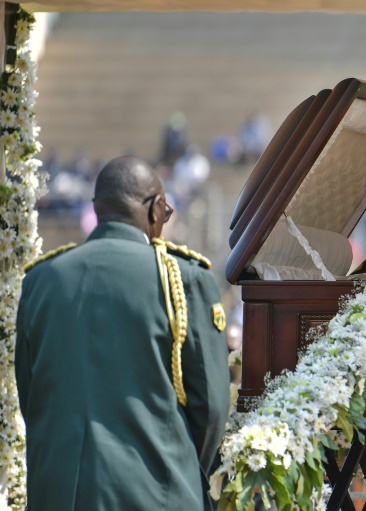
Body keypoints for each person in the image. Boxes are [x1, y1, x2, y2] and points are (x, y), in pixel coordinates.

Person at [16, 156, 230, 510]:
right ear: (155, 209)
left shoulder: (41, 280)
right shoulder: (183, 279)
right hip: (157, 493)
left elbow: (32, 394)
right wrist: (184, 472)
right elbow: (211, 408)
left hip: (59, 494)